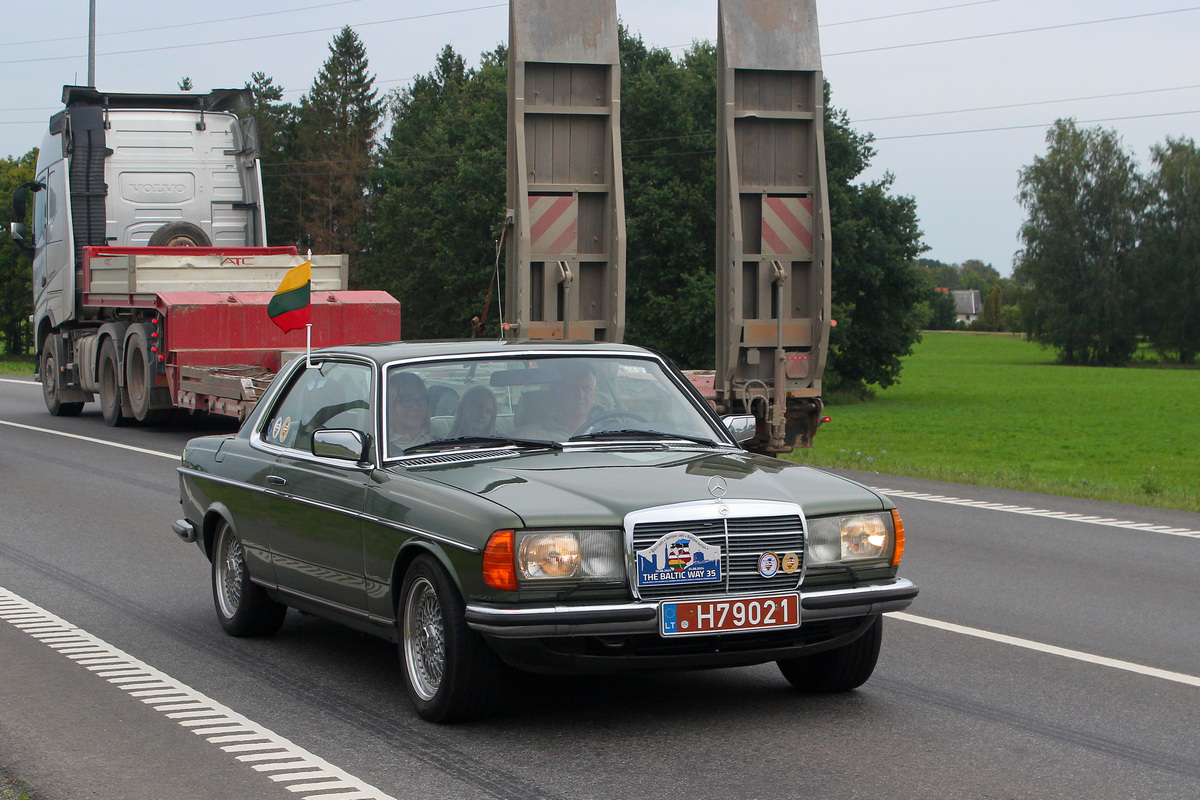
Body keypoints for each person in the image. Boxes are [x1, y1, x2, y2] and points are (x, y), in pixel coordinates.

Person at [516, 360, 597, 440]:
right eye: (571, 388)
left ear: (595, 393)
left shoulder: (605, 434)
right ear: (556, 392)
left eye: (586, 388)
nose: (580, 395)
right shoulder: (526, 438)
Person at [388, 371, 433, 453]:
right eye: (407, 400)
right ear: (390, 405)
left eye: (421, 400)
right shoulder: (379, 449)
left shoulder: (441, 444)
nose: (416, 407)